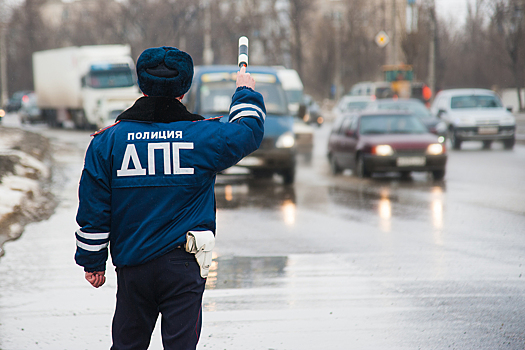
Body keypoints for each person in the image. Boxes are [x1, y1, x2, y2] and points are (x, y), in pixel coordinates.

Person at [74, 46, 265, 350]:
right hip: (184, 266)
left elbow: (94, 208)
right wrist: (244, 91)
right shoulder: (203, 137)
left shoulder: (107, 142)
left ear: (141, 84)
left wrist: (92, 261)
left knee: (127, 344)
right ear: (185, 87)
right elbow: (248, 131)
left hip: (132, 265)